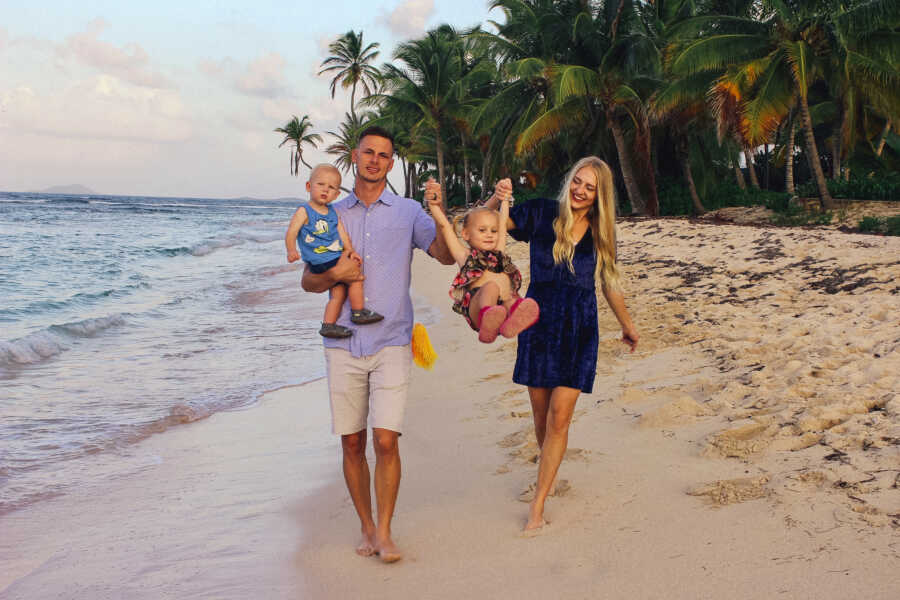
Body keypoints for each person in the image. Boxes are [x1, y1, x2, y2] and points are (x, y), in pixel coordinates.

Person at [299, 127, 454, 562]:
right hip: (342, 346)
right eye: (368, 152)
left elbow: (443, 254)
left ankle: (385, 532)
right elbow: (309, 282)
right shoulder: (329, 212)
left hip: (392, 341)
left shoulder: (407, 212)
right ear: (355, 156)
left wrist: (439, 213)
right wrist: (336, 276)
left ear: (391, 163)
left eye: (383, 155)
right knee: (351, 443)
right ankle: (366, 527)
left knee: (385, 441)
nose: (374, 160)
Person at [483, 156, 639, 534]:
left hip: (579, 328)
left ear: (600, 195)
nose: (581, 191)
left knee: (559, 417)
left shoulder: (602, 232)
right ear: (569, 179)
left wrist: (627, 325)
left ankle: (538, 503)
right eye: (578, 182)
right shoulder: (540, 214)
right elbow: (488, 226)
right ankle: (547, 473)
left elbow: (610, 283)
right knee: (541, 418)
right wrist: (496, 197)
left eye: (590, 187)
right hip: (537, 323)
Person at [427, 178, 539, 343]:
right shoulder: (464, 256)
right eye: (482, 230)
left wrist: (506, 198)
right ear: (465, 234)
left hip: (502, 309)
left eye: (493, 231)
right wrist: (434, 205)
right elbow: (444, 225)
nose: (489, 234)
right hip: (478, 310)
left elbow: (502, 220)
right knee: (491, 287)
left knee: (511, 298)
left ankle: (512, 319)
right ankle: (490, 317)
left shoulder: (498, 252)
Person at [285, 163, 383, 338]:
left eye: (331, 188)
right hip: (322, 259)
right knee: (355, 277)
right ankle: (358, 312)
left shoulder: (331, 211)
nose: (325, 190)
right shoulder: (304, 210)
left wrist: (351, 250)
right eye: (320, 184)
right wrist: (291, 250)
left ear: (337, 194)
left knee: (338, 293)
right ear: (309, 186)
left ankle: (328, 325)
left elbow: (341, 233)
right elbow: (291, 232)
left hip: (329, 258)